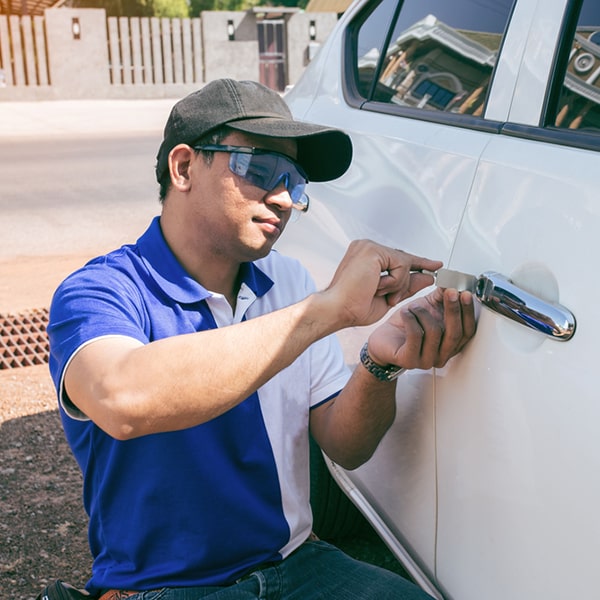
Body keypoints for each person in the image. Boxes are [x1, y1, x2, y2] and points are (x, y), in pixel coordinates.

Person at [47, 78, 476, 600]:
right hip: (164, 588)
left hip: (298, 565)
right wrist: (329, 311)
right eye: (258, 169)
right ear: (183, 167)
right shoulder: (101, 291)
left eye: (295, 181)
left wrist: (380, 364)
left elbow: (345, 444)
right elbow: (122, 399)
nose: (284, 199)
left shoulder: (288, 282)